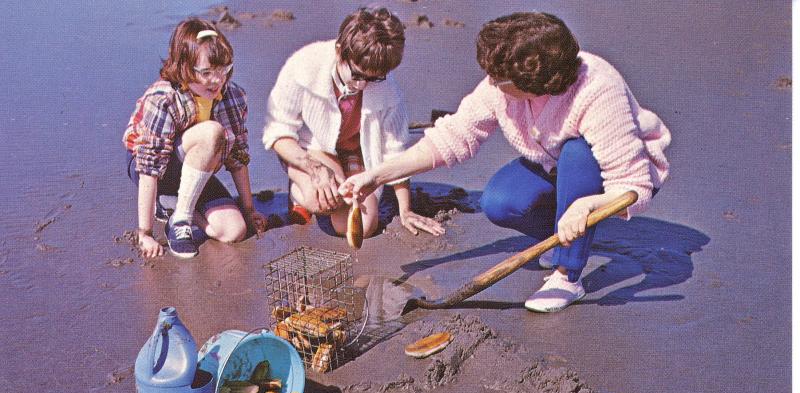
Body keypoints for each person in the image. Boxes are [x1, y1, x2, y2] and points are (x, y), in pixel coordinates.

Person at [339, 12, 671, 312]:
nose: (491, 84)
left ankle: (568, 274)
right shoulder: (501, 84)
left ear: (534, 83)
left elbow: (634, 187)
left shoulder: (598, 89)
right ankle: (565, 233)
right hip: (553, 165)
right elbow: (451, 137)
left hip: (614, 170)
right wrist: (377, 176)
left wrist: (588, 206)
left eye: (499, 80)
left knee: (577, 155)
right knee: (499, 202)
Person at [262, 7, 444, 238]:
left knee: (362, 228)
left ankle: (324, 183)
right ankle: (299, 188)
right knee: (324, 201)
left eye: (373, 78)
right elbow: (277, 133)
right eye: (357, 75)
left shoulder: (389, 91)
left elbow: (394, 151)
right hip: (314, 149)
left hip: (358, 152)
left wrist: (405, 209)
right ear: (340, 53)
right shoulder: (303, 66)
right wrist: (314, 169)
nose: (362, 86)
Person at [124, 18, 267, 259]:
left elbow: (238, 156)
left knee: (233, 230)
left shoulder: (233, 97)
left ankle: (173, 206)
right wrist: (145, 232)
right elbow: (148, 167)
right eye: (206, 72)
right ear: (184, 68)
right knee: (212, 132)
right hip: (154, 168)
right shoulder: (163, 99)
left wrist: (249, 208)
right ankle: (181, 219)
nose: (217, 79)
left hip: (195, 172)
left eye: (223, 69)